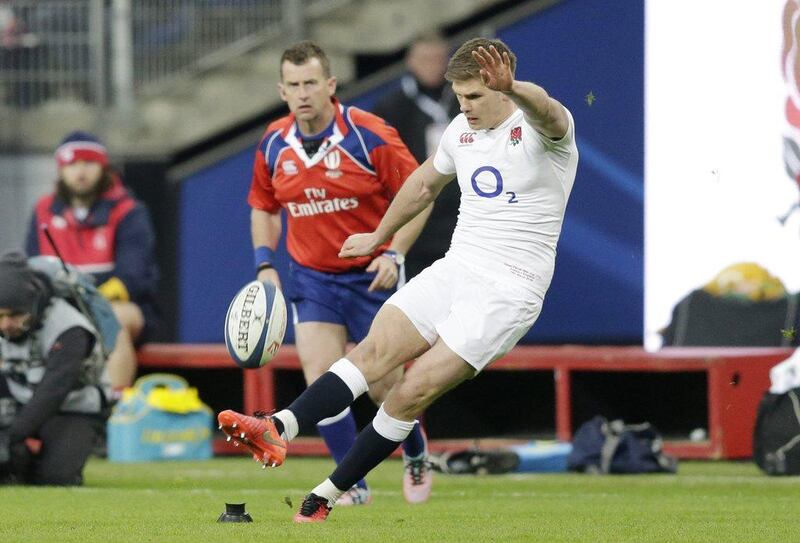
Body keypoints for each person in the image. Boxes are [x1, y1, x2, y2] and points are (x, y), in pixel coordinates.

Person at [219, 37, 579, 522]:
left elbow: (550, 112)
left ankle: (324, 495)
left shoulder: (544, 131)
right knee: (370, 356)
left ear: (503, 86)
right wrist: (379, 236)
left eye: (474, 96)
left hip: (510, 289)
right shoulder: (459, 131)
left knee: (411, 391)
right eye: (459, 95)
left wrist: (515, 88)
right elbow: (425, 184)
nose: (464, 106)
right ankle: (278, 427)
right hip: (456, 268)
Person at [246, 41, 433, 505]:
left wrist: (394, 255)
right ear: (282, 91)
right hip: (313, 276)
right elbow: (264, 208)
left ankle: (415, 451)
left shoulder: (370, 135)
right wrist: (265, 264)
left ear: (331, 85)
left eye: (311, 83)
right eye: (293, 85)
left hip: (372, 275)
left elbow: (420, 196)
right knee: (322, 375)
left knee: (385, 384)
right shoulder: (274, 143)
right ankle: (352, 483)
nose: (303, 93)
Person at [25, 131, 159, 391]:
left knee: (113, 319)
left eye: (88, 163)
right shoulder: (42, 211)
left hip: (121, 308)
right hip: (59, 311)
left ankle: (112, 411)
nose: (80, 171)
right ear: (61, 170)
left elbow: (133, 276)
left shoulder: (129, 211)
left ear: (104, 167)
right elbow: (32, 271)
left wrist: (89, 303)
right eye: (72, 164)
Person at [0, 252, 111, 485]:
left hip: (72, 408)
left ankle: (24, 461)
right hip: (16, 403)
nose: (5, 325)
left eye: (15, 315)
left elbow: (53, 392)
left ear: (32, 304)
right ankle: (18, 462)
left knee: (56, 477)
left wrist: (9, 438)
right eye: (0, 316)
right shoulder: (6, 324)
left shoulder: (69, 329)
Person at [372, 32, 462, 280]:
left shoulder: (464, 99)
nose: (432, 65)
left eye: (437, 58)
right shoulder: (391, 107)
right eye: (424, 59)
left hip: (464, 218)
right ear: (410, 61)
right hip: (417, 224)